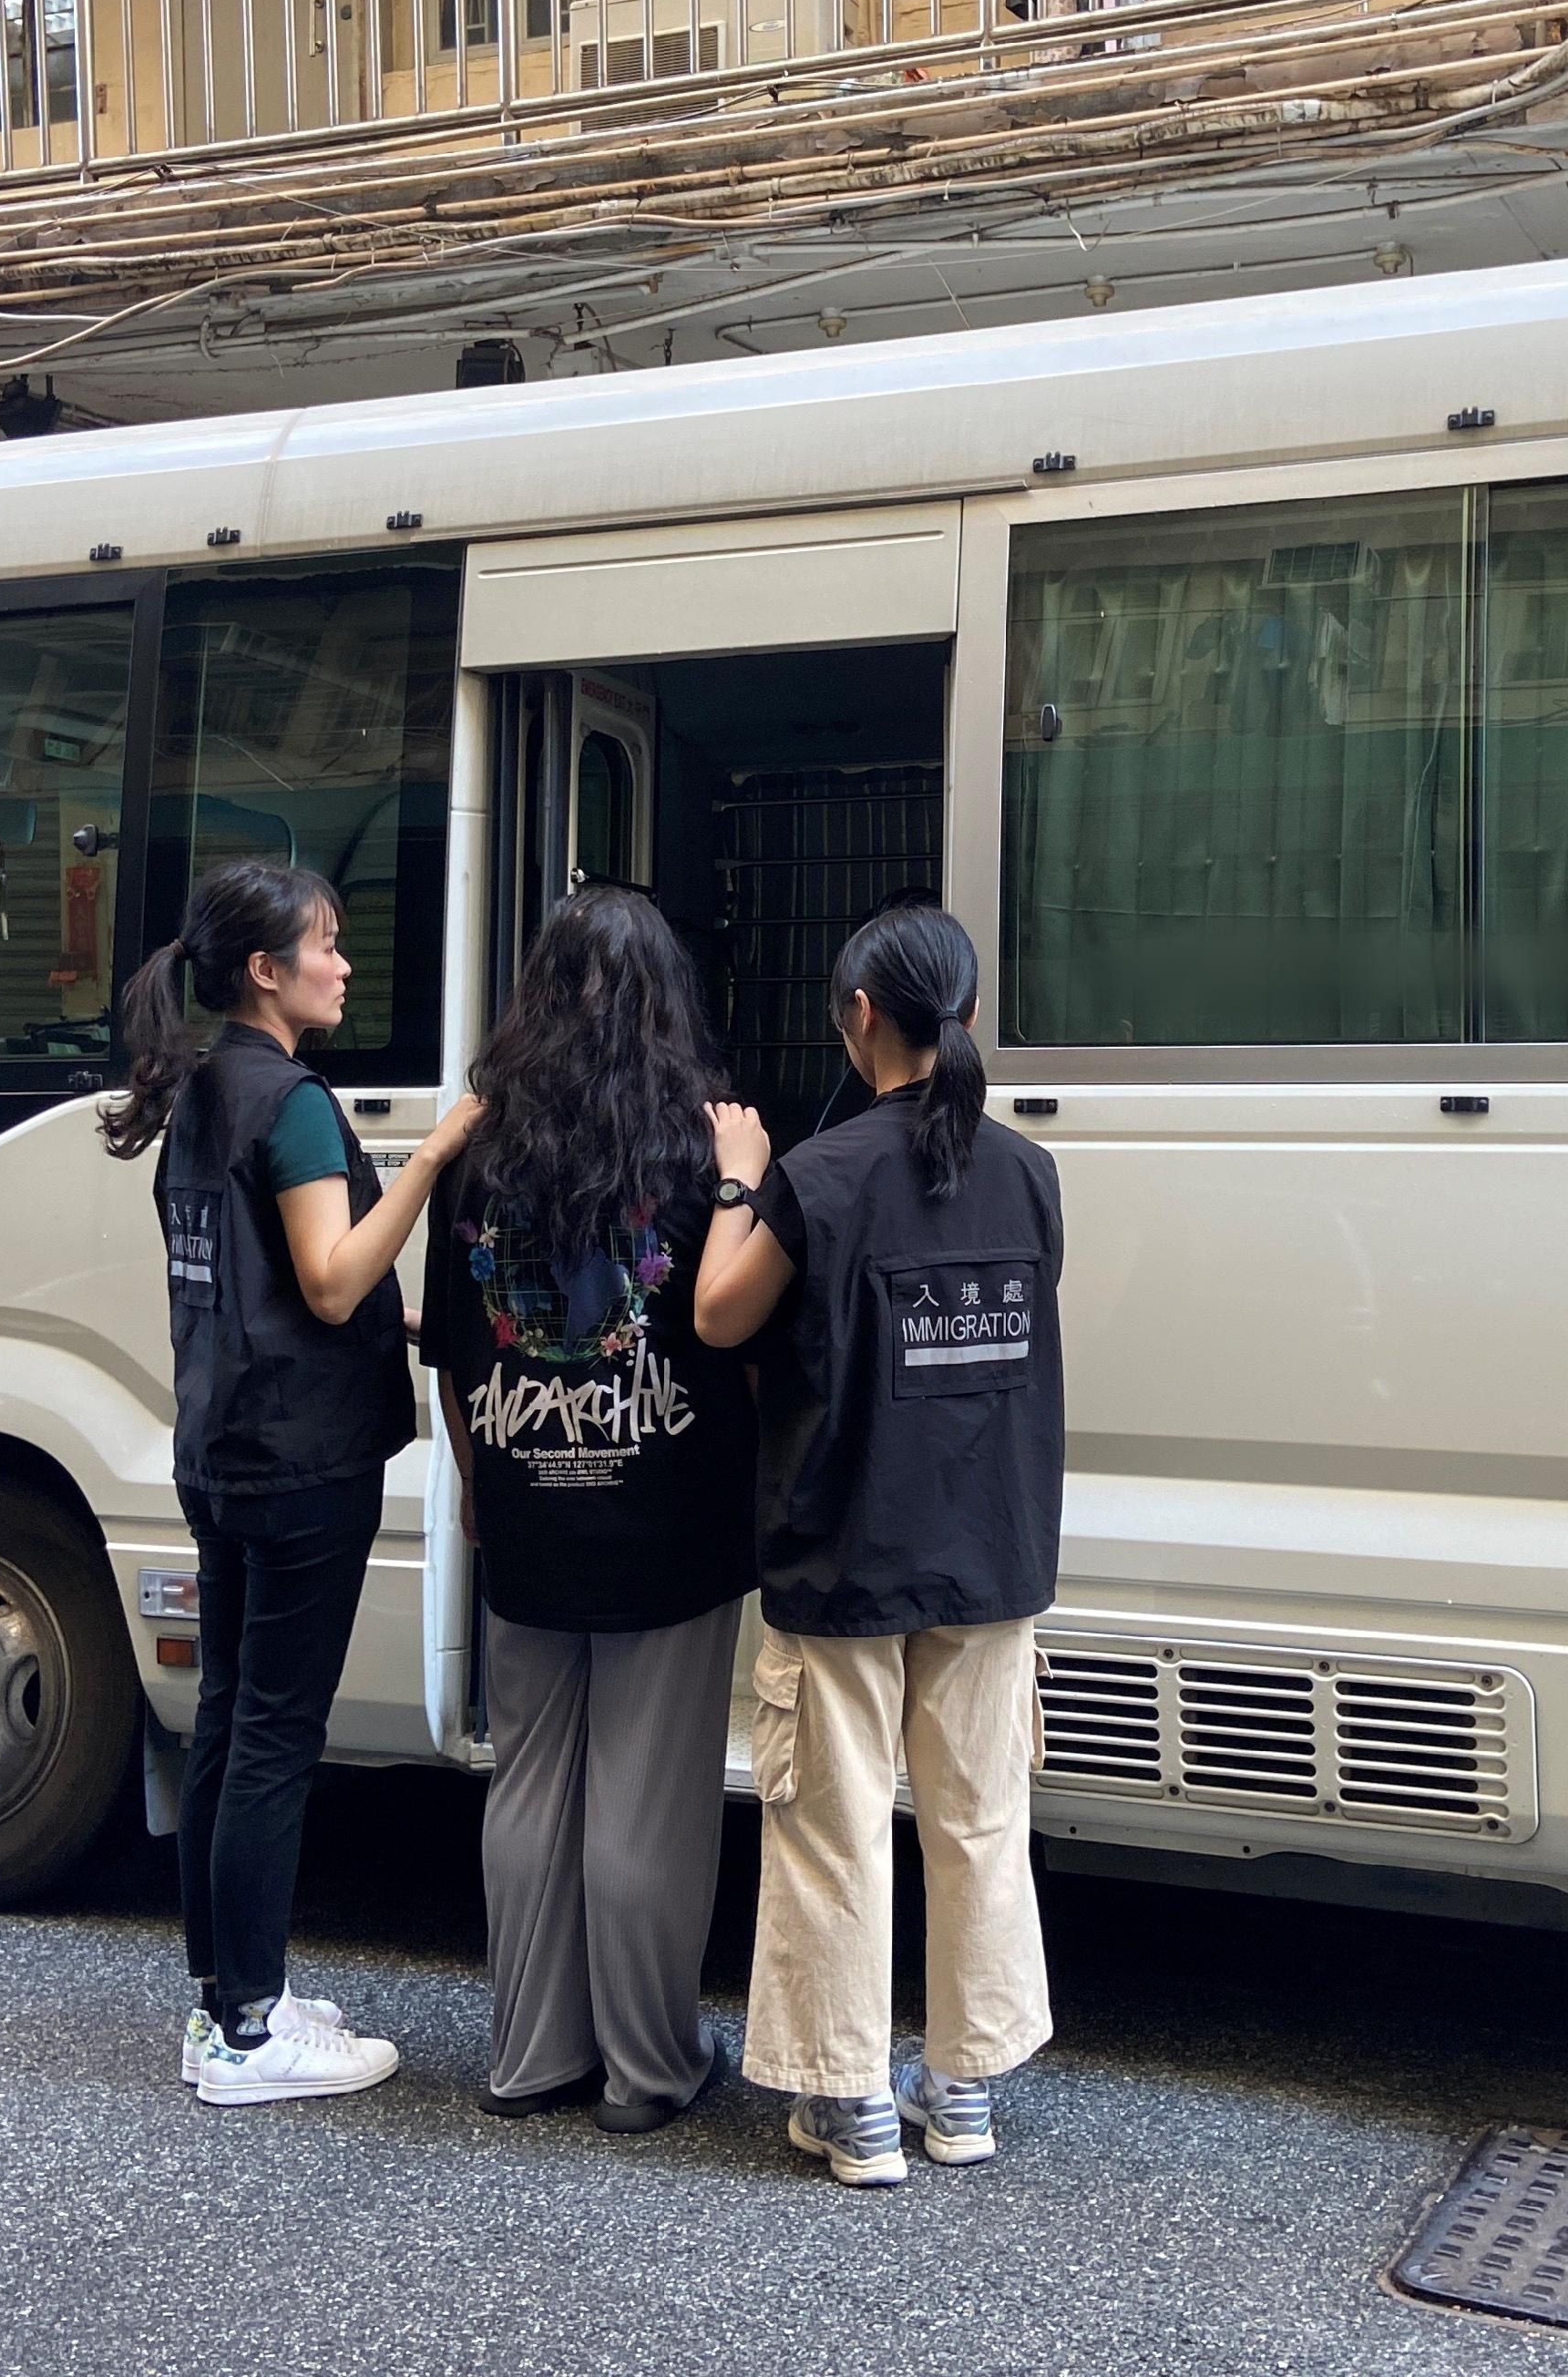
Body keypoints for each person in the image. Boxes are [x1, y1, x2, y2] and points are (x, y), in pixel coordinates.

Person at [692, 904, 1065, 2187]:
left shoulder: (821, 1172)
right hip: (992, 1547)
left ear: (858, 1015)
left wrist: (737, 1182)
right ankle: (962, 2092)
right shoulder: (1028, 1173)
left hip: (845, 1544)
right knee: (979, 1817)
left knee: (834, 1824)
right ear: (963, 1013)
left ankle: (849, 2097)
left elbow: (720, 1316)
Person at [103, 856, 477, 2107]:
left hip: (220, 1449)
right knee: (274, 1732)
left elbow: (273, 1280)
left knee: (226, 1720)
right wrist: (428, 1163)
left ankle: (224, 2001)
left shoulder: (202, 1090)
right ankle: (254, 2035)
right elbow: (326, 1278)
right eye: (326, 944)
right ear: (267, 971)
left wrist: (396, 1315)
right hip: (303, 1460)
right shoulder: (297, 1103)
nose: (345, 963)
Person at [422, 886, 759, 2133]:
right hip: (667, 1518)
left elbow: (454, 1357)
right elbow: (738, 1328)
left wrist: (476, 1487)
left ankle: (528, 2057)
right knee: (645, 1799)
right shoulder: (694, 1154)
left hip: (522, 1506)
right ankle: (646, 2070)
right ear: (666, 1003)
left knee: (528, 1785)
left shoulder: (478, 1159)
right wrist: (742, 1185)